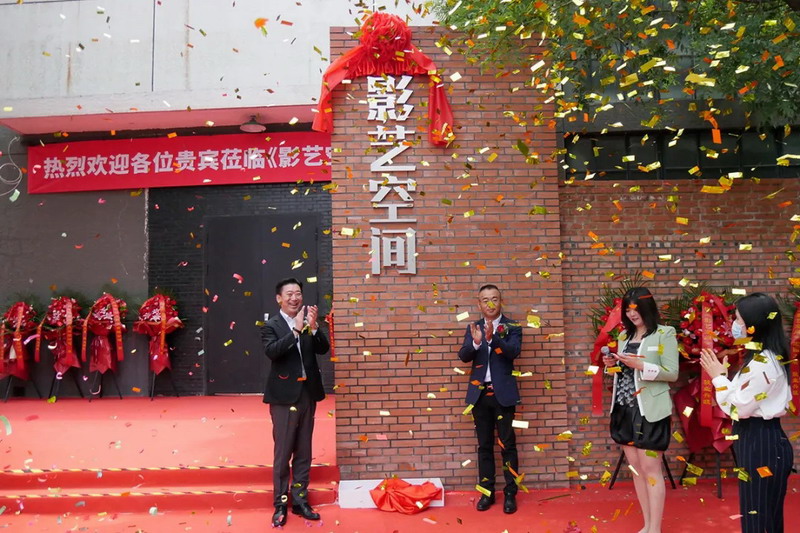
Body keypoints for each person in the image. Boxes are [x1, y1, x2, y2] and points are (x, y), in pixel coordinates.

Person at [699, 293, 793, 533]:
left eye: (739, 320)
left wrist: (718, 377)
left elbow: (738, 408)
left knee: (757, 516)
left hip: (760, 441)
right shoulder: (763, 356)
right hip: (759, 439)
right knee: (762, 515)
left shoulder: (763, 363)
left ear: (754, 325)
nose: (735, 325)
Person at [602, 287, 678, 533]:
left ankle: (655, 528)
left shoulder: (665, 333)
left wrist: (642, 365)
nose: (632, 314)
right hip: (624, 407)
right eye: (627, 310)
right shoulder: (624, 335)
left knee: (651, 469)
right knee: (636, 469)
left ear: (647, 308)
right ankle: (647, 525)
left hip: (651, 409)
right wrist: (611, 365)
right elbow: (622, 373)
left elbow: (672, 373)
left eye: (635, 309)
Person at [261, 278, 330, 528]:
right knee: (283, 451)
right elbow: (272, 352)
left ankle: (300, 500)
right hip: (283, 395)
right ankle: (280, 503)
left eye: (298, 293)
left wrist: (314, 327)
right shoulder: (271, 325)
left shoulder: (308, 322)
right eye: (289, 294)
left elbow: (323, 349)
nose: (294, 298)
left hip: (307, 393)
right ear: (279, 298)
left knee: (303, 450)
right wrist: (295, 331)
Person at [458, 284, 523, 514]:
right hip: (479, 396)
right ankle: (487, 493)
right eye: (485, 300)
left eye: (494, 299)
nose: (490, 303)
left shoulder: (512, 327)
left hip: (503, 395)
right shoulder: (473, 327)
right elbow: (464, 356)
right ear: (479, 304)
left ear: (500, 301)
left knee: (508, 445)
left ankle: (510, 494)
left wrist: (492, 338)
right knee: (484, 446)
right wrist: (477, 342)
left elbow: (513, 352)